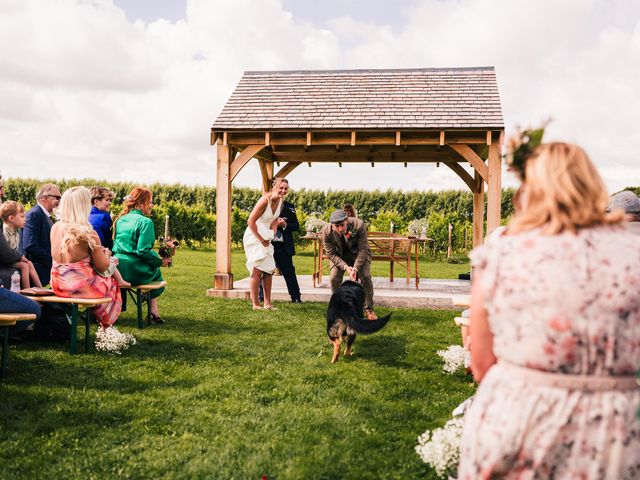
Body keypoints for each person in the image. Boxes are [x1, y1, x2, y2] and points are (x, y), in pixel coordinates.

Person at [458, 142, 640, 478]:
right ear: (591, 185)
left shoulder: (504, 252)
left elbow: (481, 361)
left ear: (532, 189)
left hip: (520, 420)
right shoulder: (634, 250)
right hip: (615, 433)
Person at [49, 186, 122, 330]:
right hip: (80, 287)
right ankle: (106, 326)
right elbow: (102, 266)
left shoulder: (55, 227)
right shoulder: (88, 232)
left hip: (58, 284)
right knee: (112, 283)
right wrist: (106, 255)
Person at [113, 187, 169, 323]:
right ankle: (152, 309)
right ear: (139, 203)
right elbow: (143, 251)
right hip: (134, 270)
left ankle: (153, 310)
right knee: (156, 271)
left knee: (153, 269)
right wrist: (160, 262)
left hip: (118, 269)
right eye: (150, 202)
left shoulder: (120, 220)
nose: (152, 205)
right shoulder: (146, 222)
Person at [320, 209, 376, 320]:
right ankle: (340, 308)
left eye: (342, 225)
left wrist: (355, 269)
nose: (340, 229)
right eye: (337, 226)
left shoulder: (358, 225)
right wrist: (345, 267)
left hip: (359, 254)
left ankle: (368, 309)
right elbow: (331, 254)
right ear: (332, 225)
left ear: (347, 220)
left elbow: (363, 250)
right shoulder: (326, 232)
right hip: (339, 256)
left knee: (365, 276)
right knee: (334, 278)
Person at [243, 178, 289, 310]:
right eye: (281, 187)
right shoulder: (265, 200)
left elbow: (274, 221)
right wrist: (261, 239)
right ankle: (255, 304)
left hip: (266, 235)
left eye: (286, 188)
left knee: (269, 269)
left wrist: (272, 234)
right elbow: (250, 221)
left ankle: (267, 303)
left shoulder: (281, 202)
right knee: (257, 270)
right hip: (254, 234)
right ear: (274, 187)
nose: (283, 191)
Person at [259, 198, 303, 304]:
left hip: (283, 245)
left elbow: (296, 225)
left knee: (289, 272)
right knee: (264, 270)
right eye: (280, 188)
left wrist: (284, 225)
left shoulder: (289, 206)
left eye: (284, 189)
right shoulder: (266, 203)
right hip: (268, 243)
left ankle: (296, 297)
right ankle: (261, 297)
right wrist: (273, 224)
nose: (282, 191)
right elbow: (260, 222)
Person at [22, 183, 61, 285]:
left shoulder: (44, 215)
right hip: (38, 273)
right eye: (57, 197)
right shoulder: (34, 214)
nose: (59, 201)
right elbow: (30, 245)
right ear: (44, 198)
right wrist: (52, 261)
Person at [0, 201, 42, 289]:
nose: (25, 219)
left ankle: (40, 288)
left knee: (29, 263)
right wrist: (20, 258)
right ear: (11, 218)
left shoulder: (16, 232)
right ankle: (27, 290)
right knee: (24, 266)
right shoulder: (4, 232)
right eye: (22, 216)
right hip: (4, 261)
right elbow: (6, 253)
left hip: (11, 260)